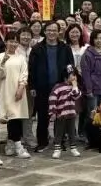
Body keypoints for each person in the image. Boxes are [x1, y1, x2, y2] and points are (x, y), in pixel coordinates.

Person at [28, 22, 73, 153]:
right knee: (43, 116)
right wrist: (32, 86)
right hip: (42, 87)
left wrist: (70, 80)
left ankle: (60, 141)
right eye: (49, 30)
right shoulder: (37, 48)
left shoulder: (65, 48)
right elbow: (31, 68)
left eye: (54, 30)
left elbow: (70, 66)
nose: (51, 33)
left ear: (59, 32)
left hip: (61, 87)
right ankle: (42, 142)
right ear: (45, 31)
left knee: (61, 116)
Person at [0, 31, 30, 159]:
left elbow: (24, 74)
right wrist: (3, 62)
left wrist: (21, 88)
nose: (13, 44)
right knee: (11, 118)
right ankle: (17, 146)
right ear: (6, 42)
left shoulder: (21, 58)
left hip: (18, 91)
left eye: (15, 41)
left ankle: (12, 144)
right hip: (5, 91)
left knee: (16, 118)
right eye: (11, 41)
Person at [48, 65, 82, 159]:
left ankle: (73, 148)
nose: (74, 77)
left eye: (75, 75)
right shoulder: (58, 87)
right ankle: (57, 149)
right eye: (72, 75)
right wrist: (53, 112)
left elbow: (76, 96)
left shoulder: (74, 87)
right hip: (60, 114)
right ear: (65, 76)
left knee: (72, 132)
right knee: (59, 132)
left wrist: (75, 86)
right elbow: (52, 98)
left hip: (71, 113)